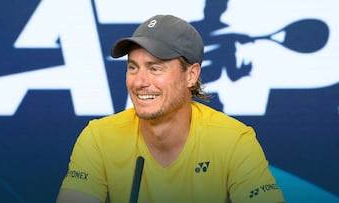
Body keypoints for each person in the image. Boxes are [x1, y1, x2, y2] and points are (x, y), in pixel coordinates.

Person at [56, 14, 285, 203]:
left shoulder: (234, 141)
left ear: (191, 75)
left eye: (155, 68)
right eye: (133, 67)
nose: (139, 81)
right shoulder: (99, 137)